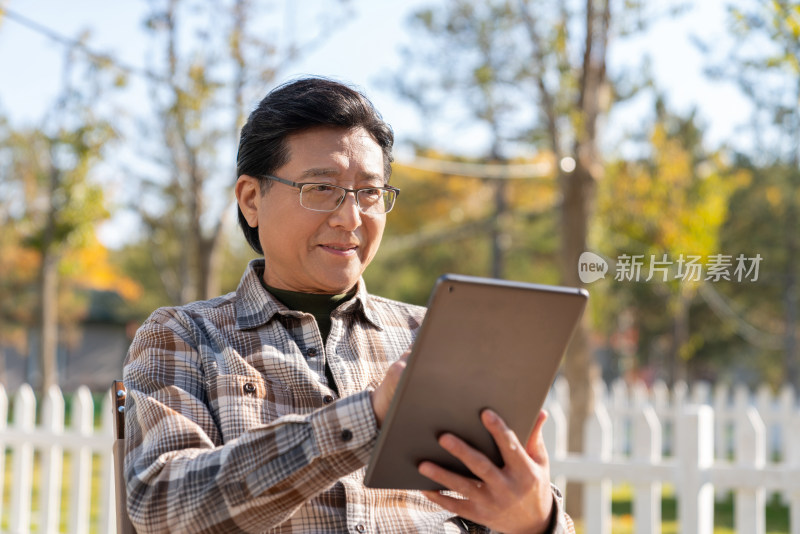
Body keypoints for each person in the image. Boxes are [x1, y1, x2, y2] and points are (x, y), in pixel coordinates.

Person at [123, 77, 575, 533]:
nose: (350, 217)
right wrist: (368, 418)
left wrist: (537, 519)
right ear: (251, 199)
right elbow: (162, 505)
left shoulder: (433, 337)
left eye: (369, 192)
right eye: (321, 188)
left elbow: (497, 506)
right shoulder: (185, 337)